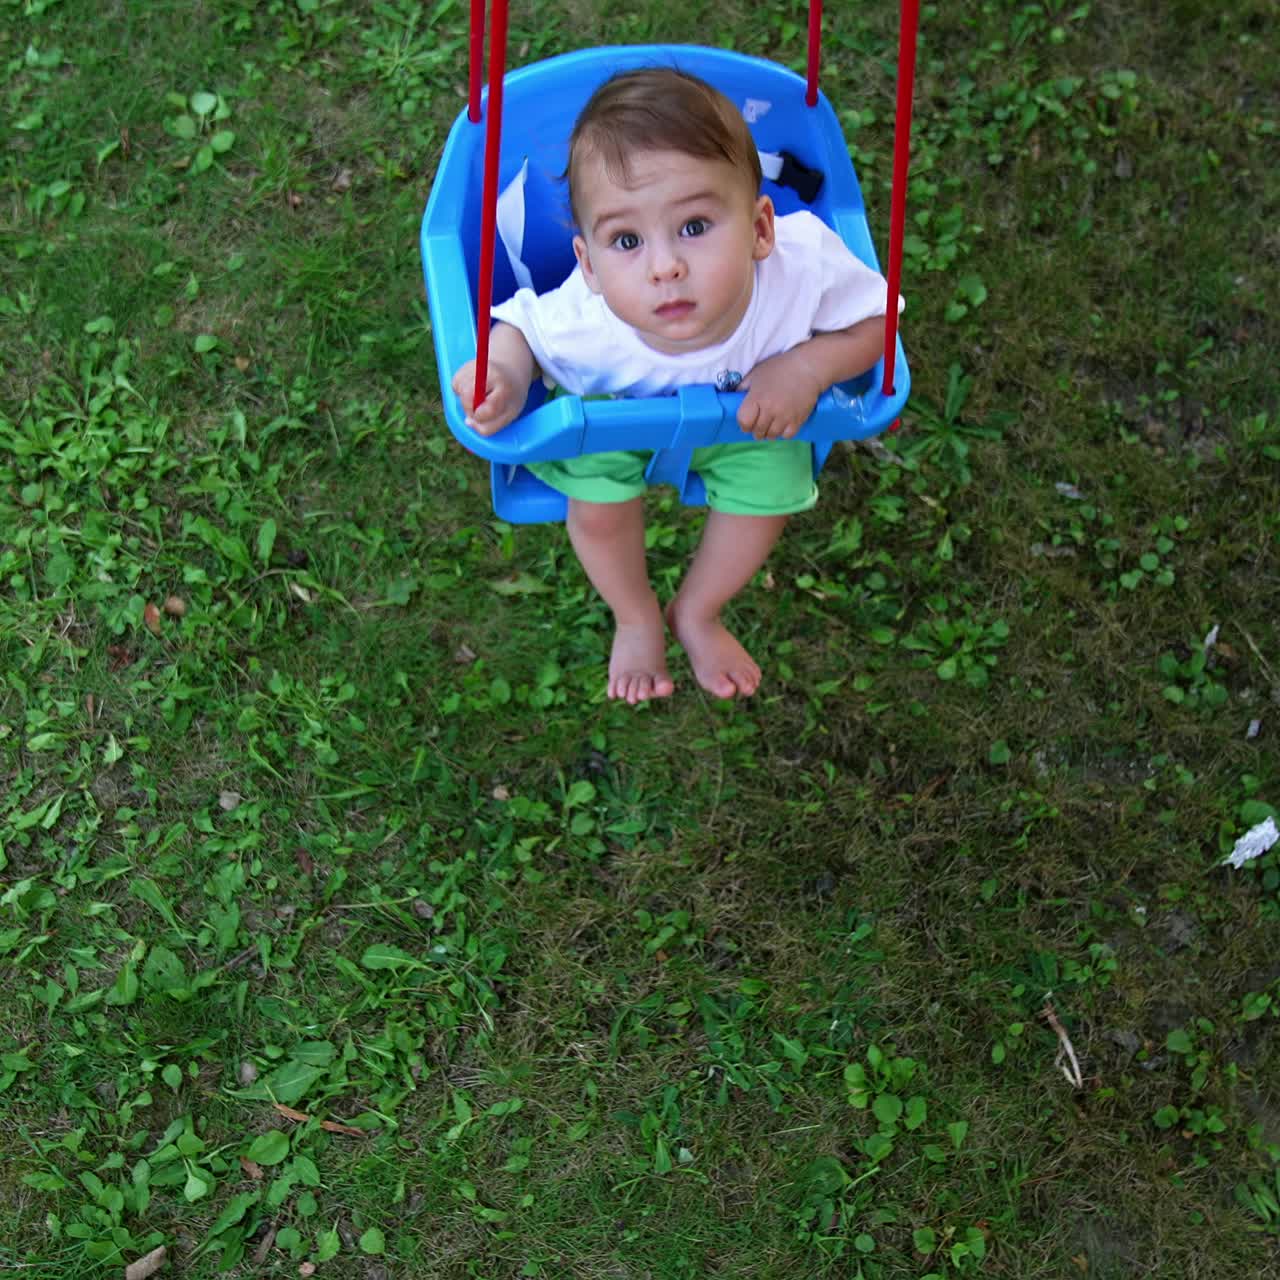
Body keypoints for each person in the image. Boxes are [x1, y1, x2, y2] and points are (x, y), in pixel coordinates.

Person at [451, 68, 900, 704]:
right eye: (626, 241)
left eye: (694, 226)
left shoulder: (801, 267)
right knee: (599, 509)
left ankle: (698, 610)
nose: (665, 266)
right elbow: (519, 329)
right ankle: (635, 616)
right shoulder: (588, 318)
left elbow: (879, 323)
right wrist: (501, 375)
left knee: (768, 496)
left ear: (762, 229)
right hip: (615, 421)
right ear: (589, 265)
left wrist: (807, 368)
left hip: (750, 420)